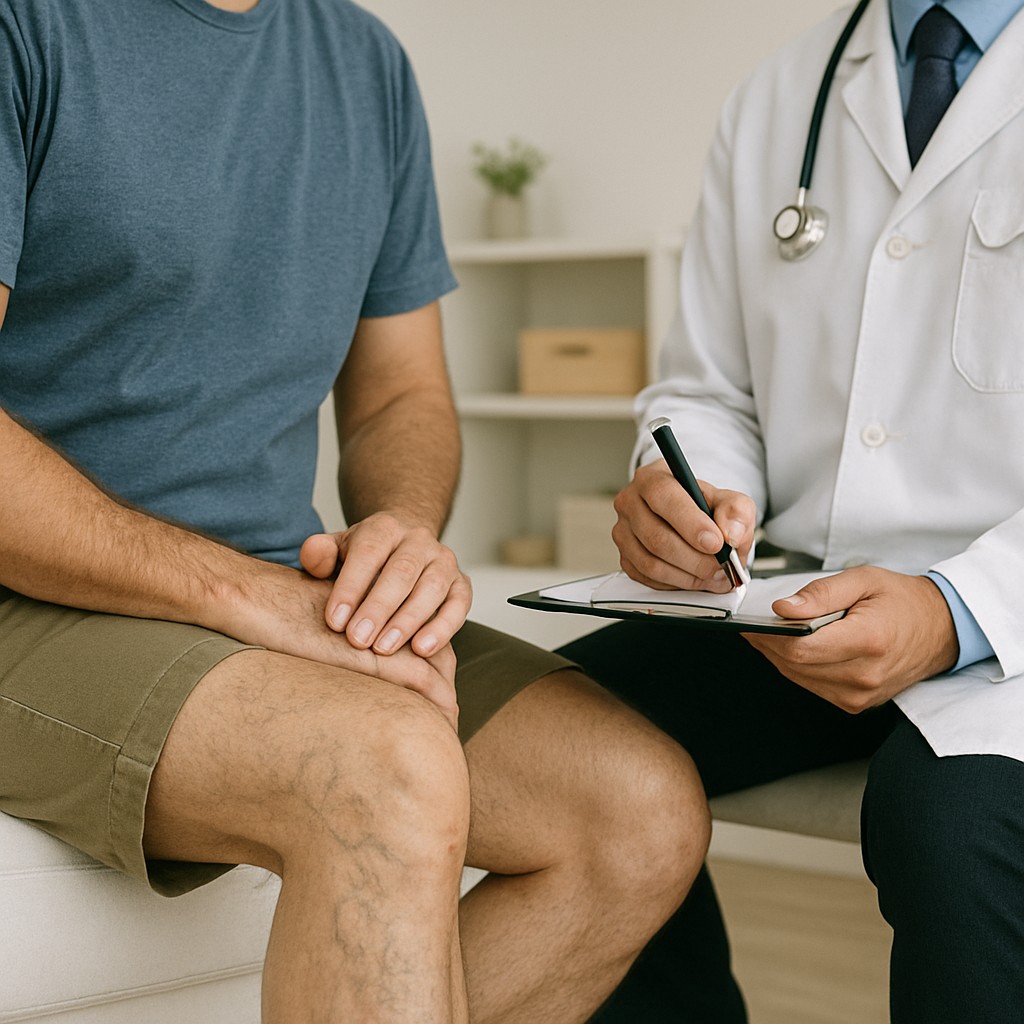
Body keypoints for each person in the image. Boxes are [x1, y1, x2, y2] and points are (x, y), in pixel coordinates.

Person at [0, 1, 714, 1021]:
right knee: (387, 766)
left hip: (263, 589)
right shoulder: (30, 25)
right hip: (26, 601)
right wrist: (242, 595)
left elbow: (398, 396)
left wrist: (402, 531)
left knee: (635, 809)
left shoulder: (363, 61)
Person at [564, 1, 1024, 1021]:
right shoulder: (782, 95)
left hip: (1008, 622)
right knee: (551, 746)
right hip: (796, 600)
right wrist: (689, 493)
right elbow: (706, 391)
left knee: (949, 826)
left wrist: (954, 607)